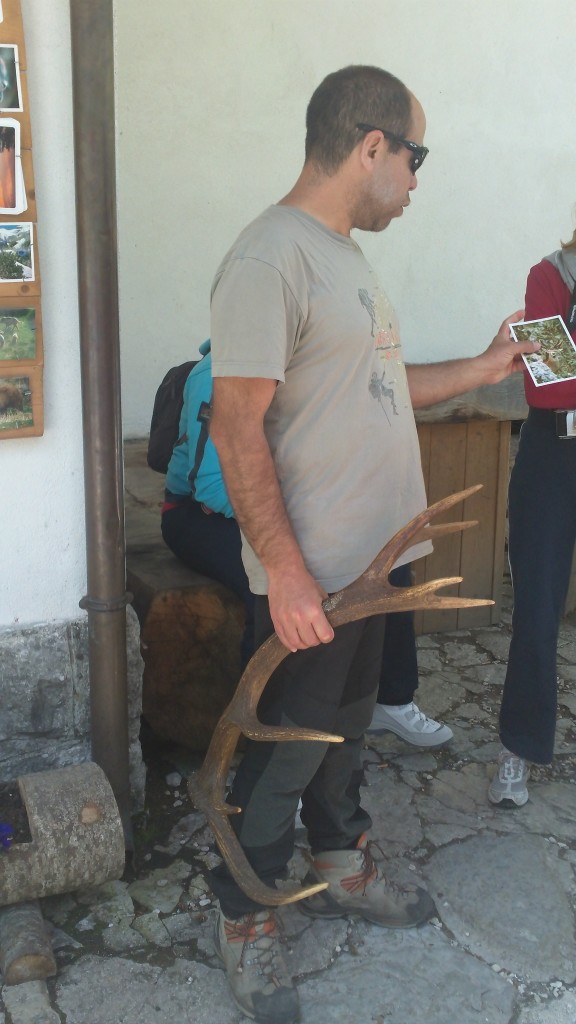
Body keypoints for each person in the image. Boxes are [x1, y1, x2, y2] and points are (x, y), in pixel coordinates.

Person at [205, 65, 536, 1024]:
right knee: (284, 749)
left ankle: (340, 865)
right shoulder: (272, 256)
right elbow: (237, 427)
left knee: (345, 738)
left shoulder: (344, 255)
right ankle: (242, 914)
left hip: (373, 571)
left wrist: (483, 365)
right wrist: (291, 576)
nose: (418, 180)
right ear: (371, 146)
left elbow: (379, 389)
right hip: (314, 579)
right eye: (415, 156)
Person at [161, 342, 452, 745]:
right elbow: (211, 486)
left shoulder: (309, 370)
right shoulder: (216, 375)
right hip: (198, 517)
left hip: (283, 510)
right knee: (266, 586)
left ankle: (392, 699)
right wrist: (294, 527)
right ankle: (268, 735)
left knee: (386, 564)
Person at [488, 222, 576, 807]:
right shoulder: (551, 274)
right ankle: (516, 749)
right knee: (538, 609)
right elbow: (551, 388)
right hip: (556, 453)